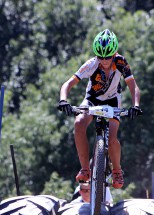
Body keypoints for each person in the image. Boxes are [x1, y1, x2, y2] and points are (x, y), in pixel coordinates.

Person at [57, 29, 142, 189]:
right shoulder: (91, 64)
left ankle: (117, 171)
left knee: (112, 136)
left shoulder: (121, 63)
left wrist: (135, 105)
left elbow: (133, 85)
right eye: (100, 56)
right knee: (79, 123)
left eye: (108, 57)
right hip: (92, 99)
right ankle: (85, 169)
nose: (104, 60)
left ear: (114, 53)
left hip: (113, 100)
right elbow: (68, 84)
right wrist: (63, 100)